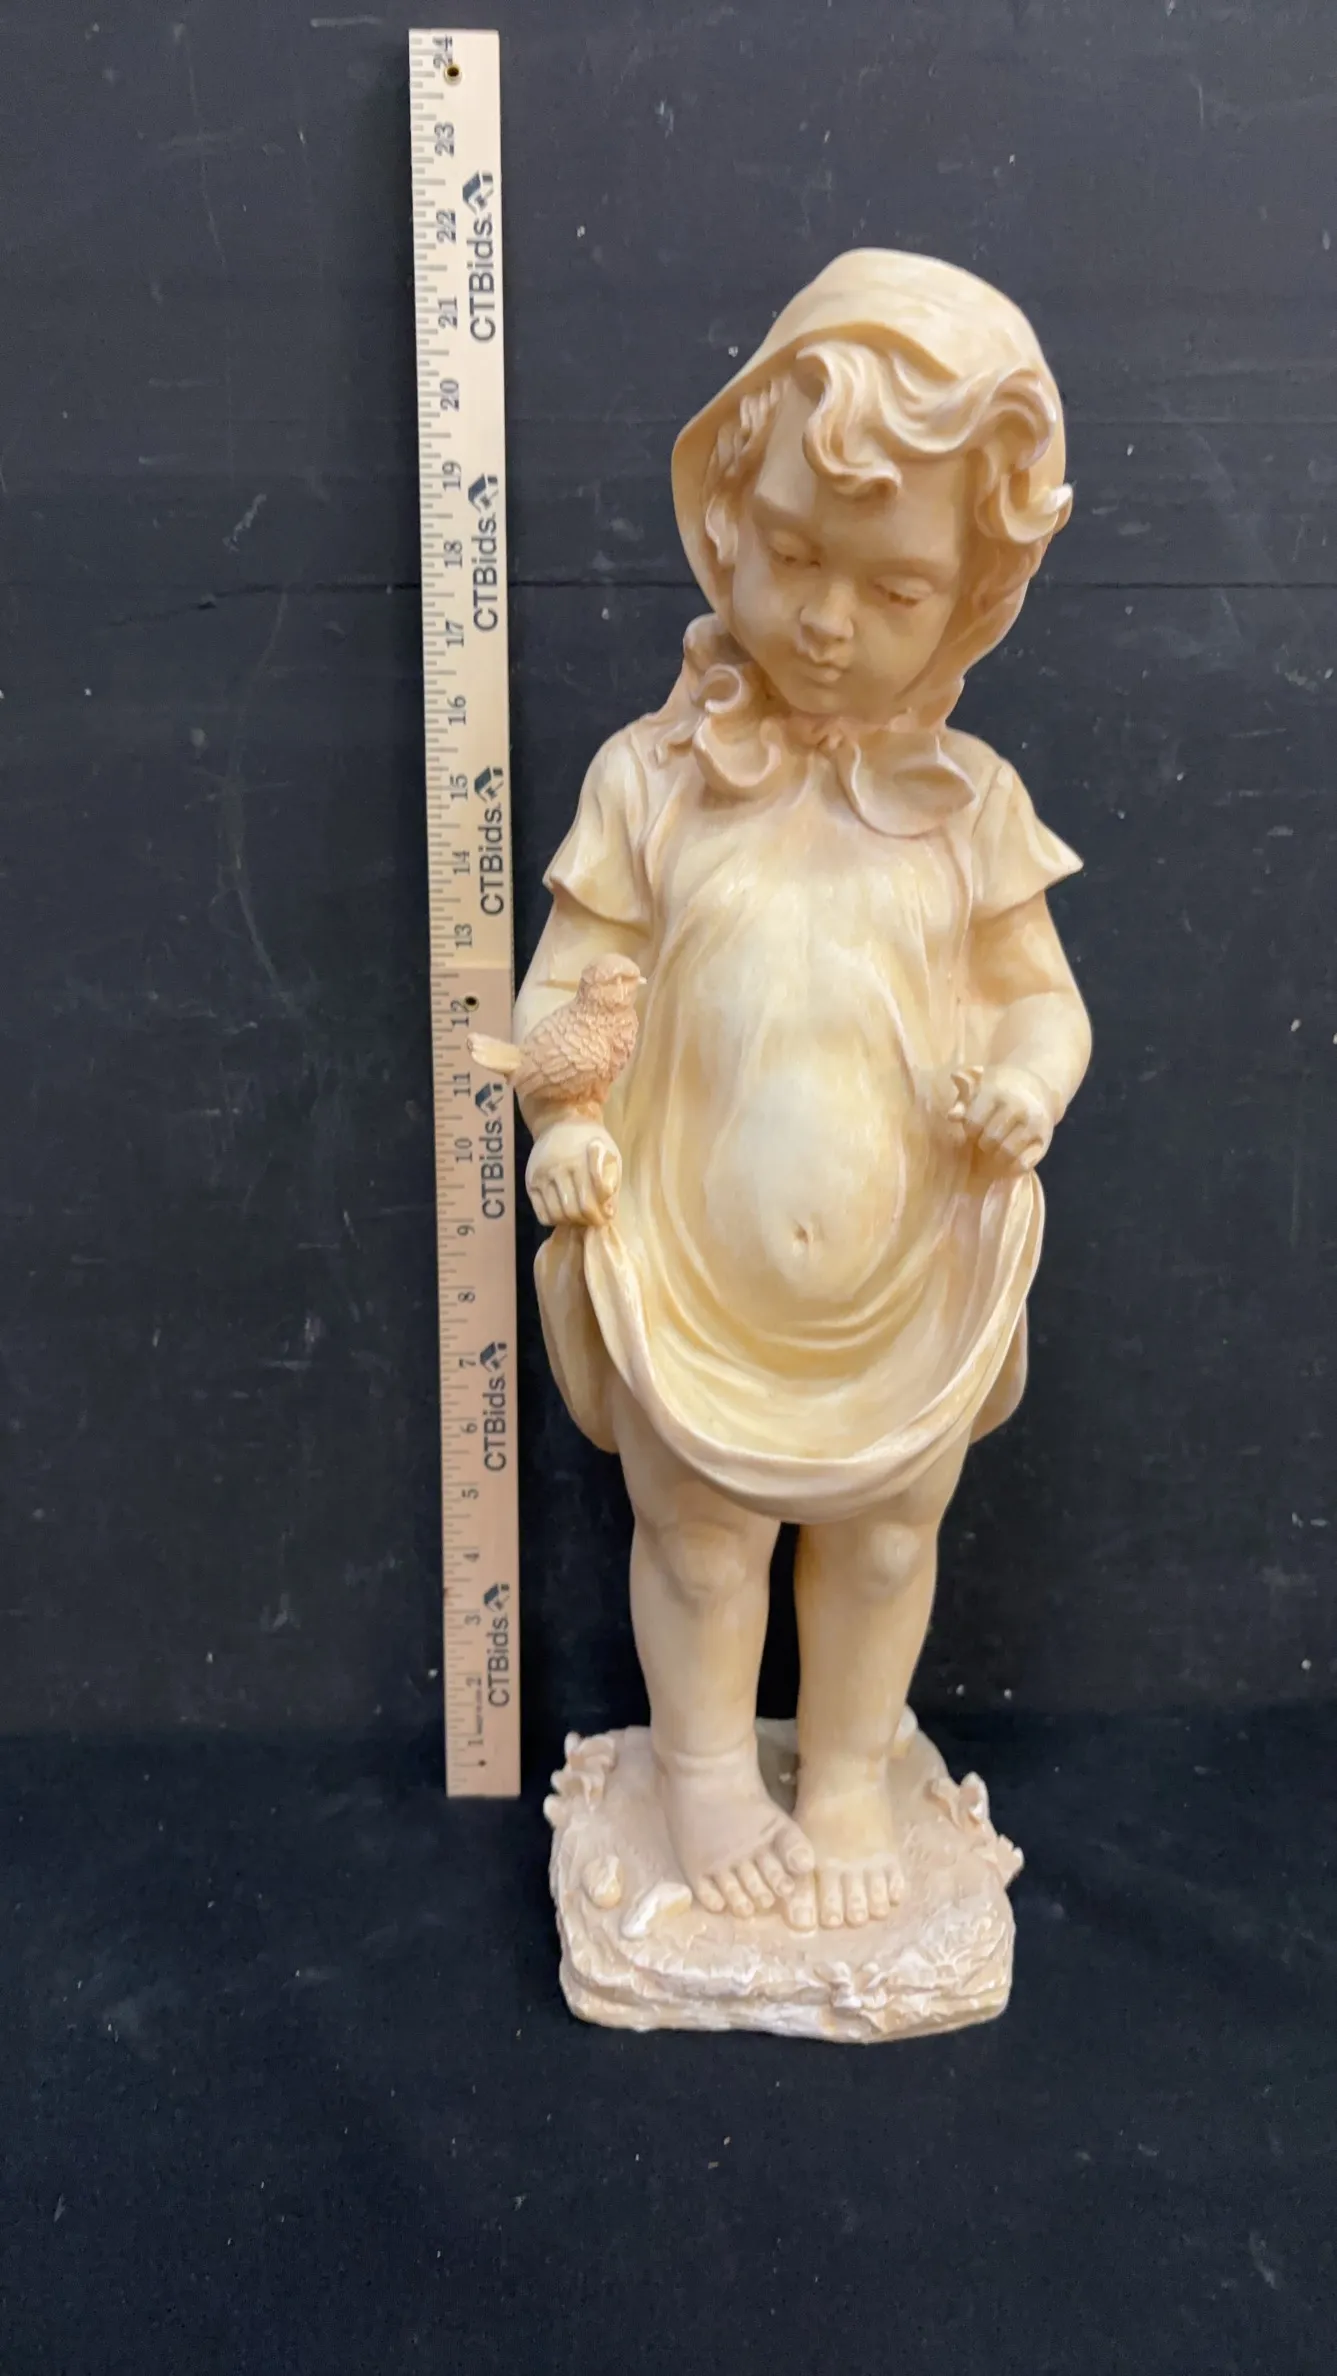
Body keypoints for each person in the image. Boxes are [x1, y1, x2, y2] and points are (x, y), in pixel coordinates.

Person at [514, 251, 1091, 1934]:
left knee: (890, 1543)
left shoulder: (971, 804)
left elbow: (1043, 1001)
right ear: (728, 516)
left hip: (907, 1290)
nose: (826, 620)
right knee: (701, 1541)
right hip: (691, 1277)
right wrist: (563, 1122)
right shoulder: (652, 782)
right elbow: (562, 994)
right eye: (790, 556)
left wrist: (1029, 1086)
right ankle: (701, 1773)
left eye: (894, 586)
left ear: (974, 595)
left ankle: (845, 1774)